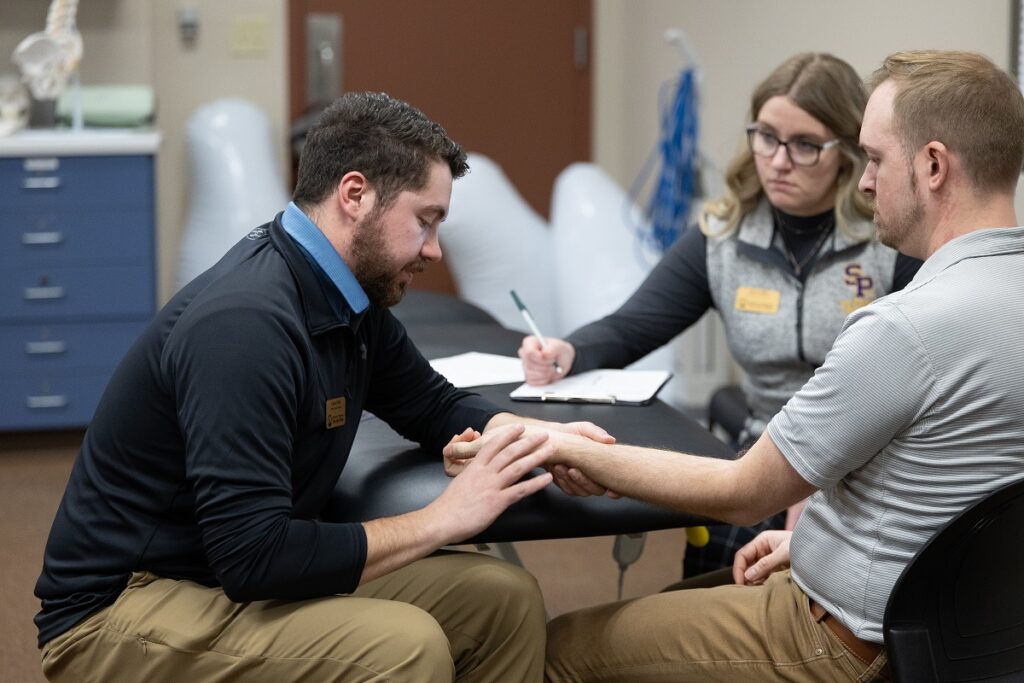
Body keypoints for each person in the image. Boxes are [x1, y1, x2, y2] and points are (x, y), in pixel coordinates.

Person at [454, 50, 1024, 681]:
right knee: (674, 605)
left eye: (877, 159)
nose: (865, 181)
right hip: (962, 624)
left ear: (935, 166)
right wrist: (809, 543)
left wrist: (560, 443)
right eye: (768, 140)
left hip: (848, 634)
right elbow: (950, 490)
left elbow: (741, 493)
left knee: (554, 650)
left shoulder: (902, 327)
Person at [33, 91, 612, 683]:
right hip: (122, 608)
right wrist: (443, 520)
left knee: (502, 599)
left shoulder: (344, 295)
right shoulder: (245, 325)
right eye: (425, 222)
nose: (435, 250)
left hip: (222, 574)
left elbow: (431, 403)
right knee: (405, 647)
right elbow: (254, 559)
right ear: (355, 195)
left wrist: (547, 438)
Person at [520, 52, 921, 578]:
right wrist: (568, 350)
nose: (778, 161)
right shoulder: (724, 237)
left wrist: (826, 477)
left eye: (804, 146)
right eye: (766, 137)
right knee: (719, 569)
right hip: (764, 448)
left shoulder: (888, 237)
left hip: (864, 455)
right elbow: (634, 324)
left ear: (847, 153)